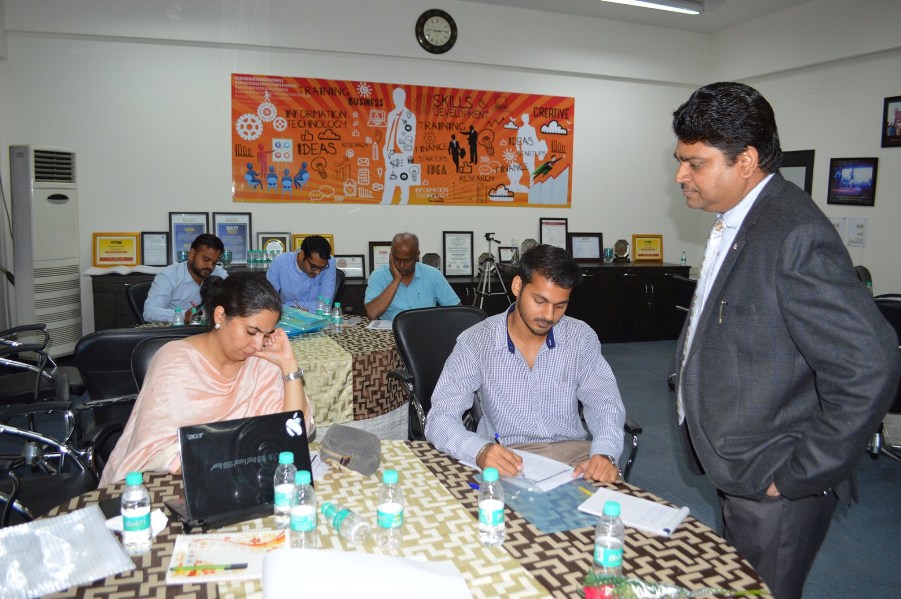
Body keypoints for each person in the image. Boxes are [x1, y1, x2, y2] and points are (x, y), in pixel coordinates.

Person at [671, 82, 900, 599]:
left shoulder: (793, 233)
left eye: (695, 163)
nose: (680, 175)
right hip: (739, 463)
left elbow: (871, 364)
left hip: (774, 482)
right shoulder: (744, 218)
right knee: (738, 585)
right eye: (679, 160)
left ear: (746, 161)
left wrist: (798, 475)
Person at [425, 244, 626, 483]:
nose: (549, 315)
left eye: (560, 305)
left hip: (574, 457)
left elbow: (605, 402)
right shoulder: (476, 342)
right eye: (540, 300)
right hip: (507, 457)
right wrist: (478, 450)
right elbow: (440, 418)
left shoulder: (580, 337)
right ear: (518, 286)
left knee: (612, 505)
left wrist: (604, 453)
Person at [100, 272, 314, 486]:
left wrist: (288, 364)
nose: (258, 344)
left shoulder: (261, 362)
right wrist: (231, 461)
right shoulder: (175, 362)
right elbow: (156, 451)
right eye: (251, 332)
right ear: (220, 316)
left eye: (266, 335)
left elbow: (295, 432)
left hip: (245, 479)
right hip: (177, 481)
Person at [364, 233, 459, 321]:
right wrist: (396, 280)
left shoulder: (433, 275)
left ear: (417, 255)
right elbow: (372, 313)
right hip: (390, 331)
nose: (401, 265)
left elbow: (457, 311)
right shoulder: (379, 275)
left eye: (407, 260)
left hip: (426, 329)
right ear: (391, 255)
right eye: (397, 259)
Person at [143, 233, 227, 324]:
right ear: (192, 254)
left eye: (214, 262)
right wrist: (184, 315)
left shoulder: (220, 274)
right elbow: (149, 312)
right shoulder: (169, 275)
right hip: (176, 330)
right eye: (206, 260)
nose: (210, 266)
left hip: (210, 329)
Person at [266, 235, 336, 312]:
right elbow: (269, 303)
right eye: (314, 266)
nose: (318, 272)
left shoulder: (330, 263)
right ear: (302, 255)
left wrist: (289, 305)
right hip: (287, 317)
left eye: (322, 268)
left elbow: (326, 305)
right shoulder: (279, 263)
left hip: (317, 317)